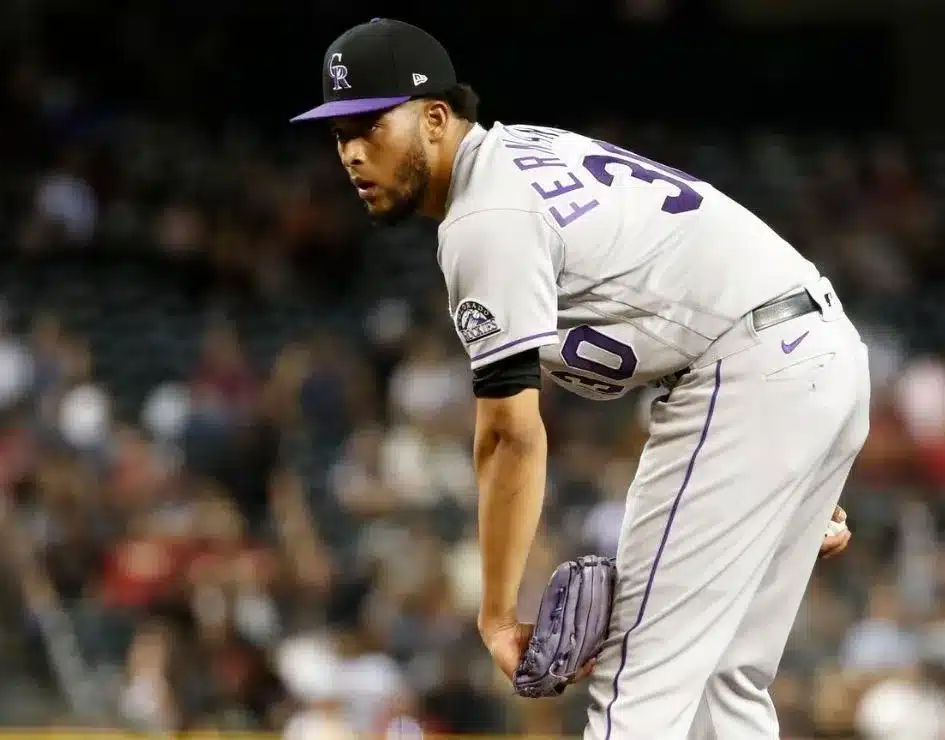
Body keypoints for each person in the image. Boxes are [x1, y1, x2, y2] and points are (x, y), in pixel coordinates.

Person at [290, 18, 866, 739]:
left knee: (638, 683)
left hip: (754, 371)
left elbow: (508, 436)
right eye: (338, 134)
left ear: (435, 118)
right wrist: (774, 471)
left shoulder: (484, 217)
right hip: (809, 353)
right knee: (726, 681)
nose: (350, 152)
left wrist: (497, 612)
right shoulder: (527, 150)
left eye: (369, 126)